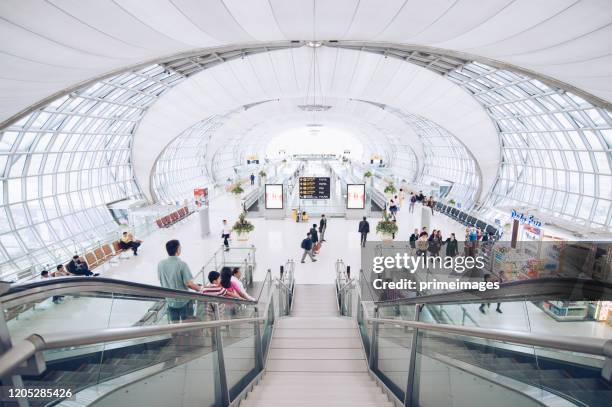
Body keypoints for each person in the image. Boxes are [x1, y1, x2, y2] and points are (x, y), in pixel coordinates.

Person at [157, 239, 201, 322]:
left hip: (170, 300)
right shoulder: (182, 264)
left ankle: (176, 334)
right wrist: (200, 288)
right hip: (184, 301)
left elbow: (161, 279)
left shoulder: (160, 264)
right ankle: (188, 334)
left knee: (175, 324)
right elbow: (189, 284)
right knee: (187, 323)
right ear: (178, 250)